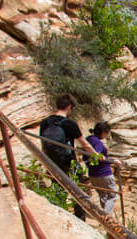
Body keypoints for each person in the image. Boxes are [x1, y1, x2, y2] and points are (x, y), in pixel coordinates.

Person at [39, 93, 95, 221]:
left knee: (58, 188)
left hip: (52, 162)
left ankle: (59, 216)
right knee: (79, 189)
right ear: (69, 107)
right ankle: (80, 219)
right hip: (69, 162)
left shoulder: (45, 123)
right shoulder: (69, 123)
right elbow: (85, 144)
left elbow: (43, 145)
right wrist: (96, 155)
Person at [84, 121, 122, 216]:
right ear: (103, 132)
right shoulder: (98, 143)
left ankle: (104, 216)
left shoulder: (88, 139)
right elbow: (97, 155)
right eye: (107, 133)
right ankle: (107, 218)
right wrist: (113, 161)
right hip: (104, 173)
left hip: (92, 174)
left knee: (102, 195)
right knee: (112, 195)